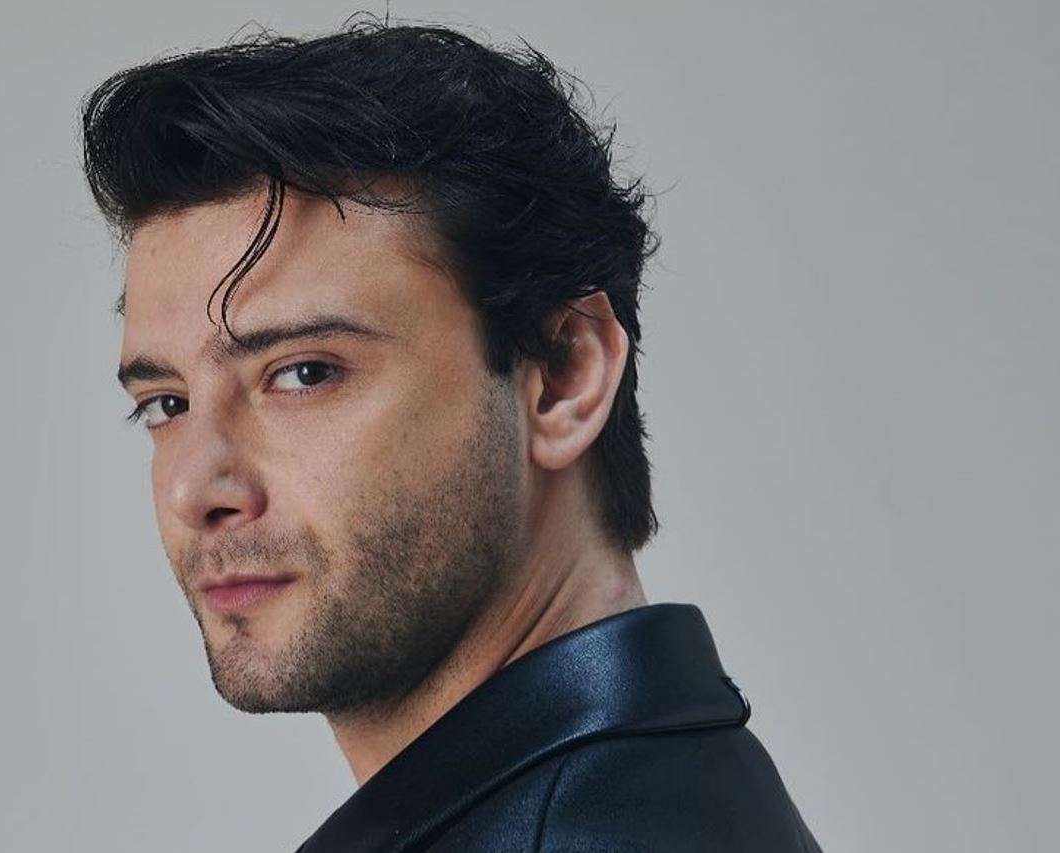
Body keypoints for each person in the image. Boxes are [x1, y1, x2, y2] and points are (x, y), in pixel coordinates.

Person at [83, 18, 823, 852]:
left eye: (304, 372)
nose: (194, 488)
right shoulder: (665, 786)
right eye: (167, 403)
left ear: (564, 375)